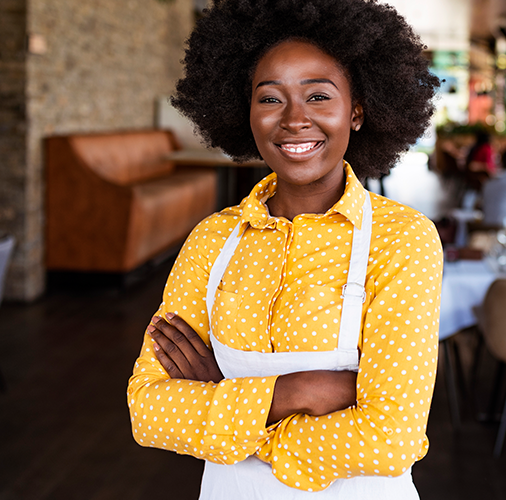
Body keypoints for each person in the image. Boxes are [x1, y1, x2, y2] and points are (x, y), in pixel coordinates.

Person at [126, 1, 442, 498]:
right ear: (245, 111)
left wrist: (226, 402)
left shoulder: (401, 238)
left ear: (356, 110)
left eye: (318, 96)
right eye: (270, 99)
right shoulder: (213, 238)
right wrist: (297, 392)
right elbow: (147, 411)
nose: (295, 120)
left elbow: (391, 439)